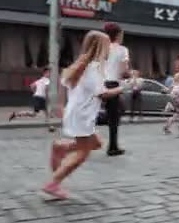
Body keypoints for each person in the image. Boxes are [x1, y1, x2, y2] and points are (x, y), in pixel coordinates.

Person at [43, 31, 123, 199]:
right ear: (100, 48)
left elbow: (63, 83)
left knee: (96, 143)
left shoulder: (82, 64)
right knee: (83, 152)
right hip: (82, 115)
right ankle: (54, 183)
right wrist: (125, 87)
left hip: (77, 112)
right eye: (108, 46)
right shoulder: (93, 68)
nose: (110, 49)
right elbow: (103, 94)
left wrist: (62, 105)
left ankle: (60, 147)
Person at [103, 22, 129, 156]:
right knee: (114, 117)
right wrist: (129, 74)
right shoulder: (122, 50)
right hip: (113, 85)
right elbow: (124, 71)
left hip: (99, 83)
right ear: (118, 35)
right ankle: (112, 147)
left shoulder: (102, 48)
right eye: (122, 34)